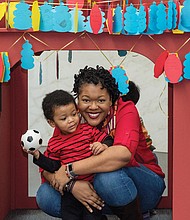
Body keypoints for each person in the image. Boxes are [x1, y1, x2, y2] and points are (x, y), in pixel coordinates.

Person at [36, 66, 166, 220]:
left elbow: (122, 155)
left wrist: (70, 171)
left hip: (142, 186)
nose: (93, 107)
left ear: (111, 99)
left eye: (101, 100)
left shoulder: (126, 109)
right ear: (78, 100)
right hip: (95, 189)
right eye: (85, 100)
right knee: (45, 196)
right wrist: (72, 186)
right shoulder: (71, 117)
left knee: (107, 178)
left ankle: (136, 214)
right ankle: (98, 212)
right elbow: (50, 165)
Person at [24, 89, 113, 220]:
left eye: (73, 114)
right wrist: (38, 156)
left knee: (92, 215)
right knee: (70, 215)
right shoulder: (54, 143)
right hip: (69, 190)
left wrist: (103, 145)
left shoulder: (88, 130)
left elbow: (108, 139)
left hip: (92, 186)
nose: (71, 120)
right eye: (64, 118)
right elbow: (54, 166)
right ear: (52, 123)